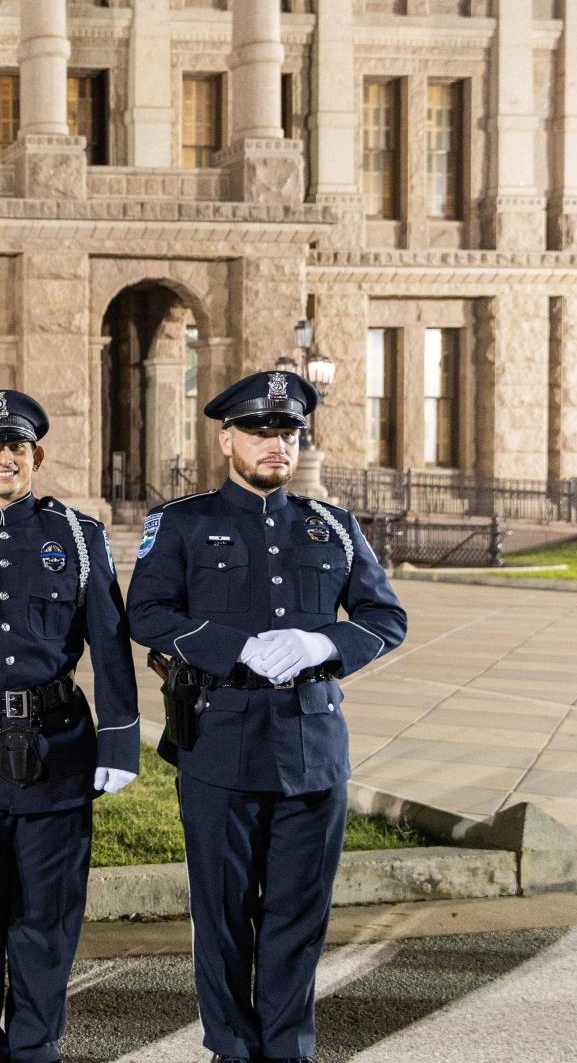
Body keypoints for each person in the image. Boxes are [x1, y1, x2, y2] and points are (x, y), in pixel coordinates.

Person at [124, 370, 407, 1063]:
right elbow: (148, 613)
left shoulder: (332, 528)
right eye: (260, 430)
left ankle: (288, 1050)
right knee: (222, 920)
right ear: (228, 439)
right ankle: (231, 1047)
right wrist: (235, 647)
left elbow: (385, 618)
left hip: (313, 753)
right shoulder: (184, 523)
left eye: (287, 431)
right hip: (220, 744)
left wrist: (322, 643)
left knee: (297, 919)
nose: (276, 443)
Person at [0, 390, 142, 1063]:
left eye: (16, 448)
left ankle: (35, 1045)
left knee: (47, 916)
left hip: (55, 746)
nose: (4, 460)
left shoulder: (77, 536)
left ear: (36, 456)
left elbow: (110, 644)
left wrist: (121, 741)